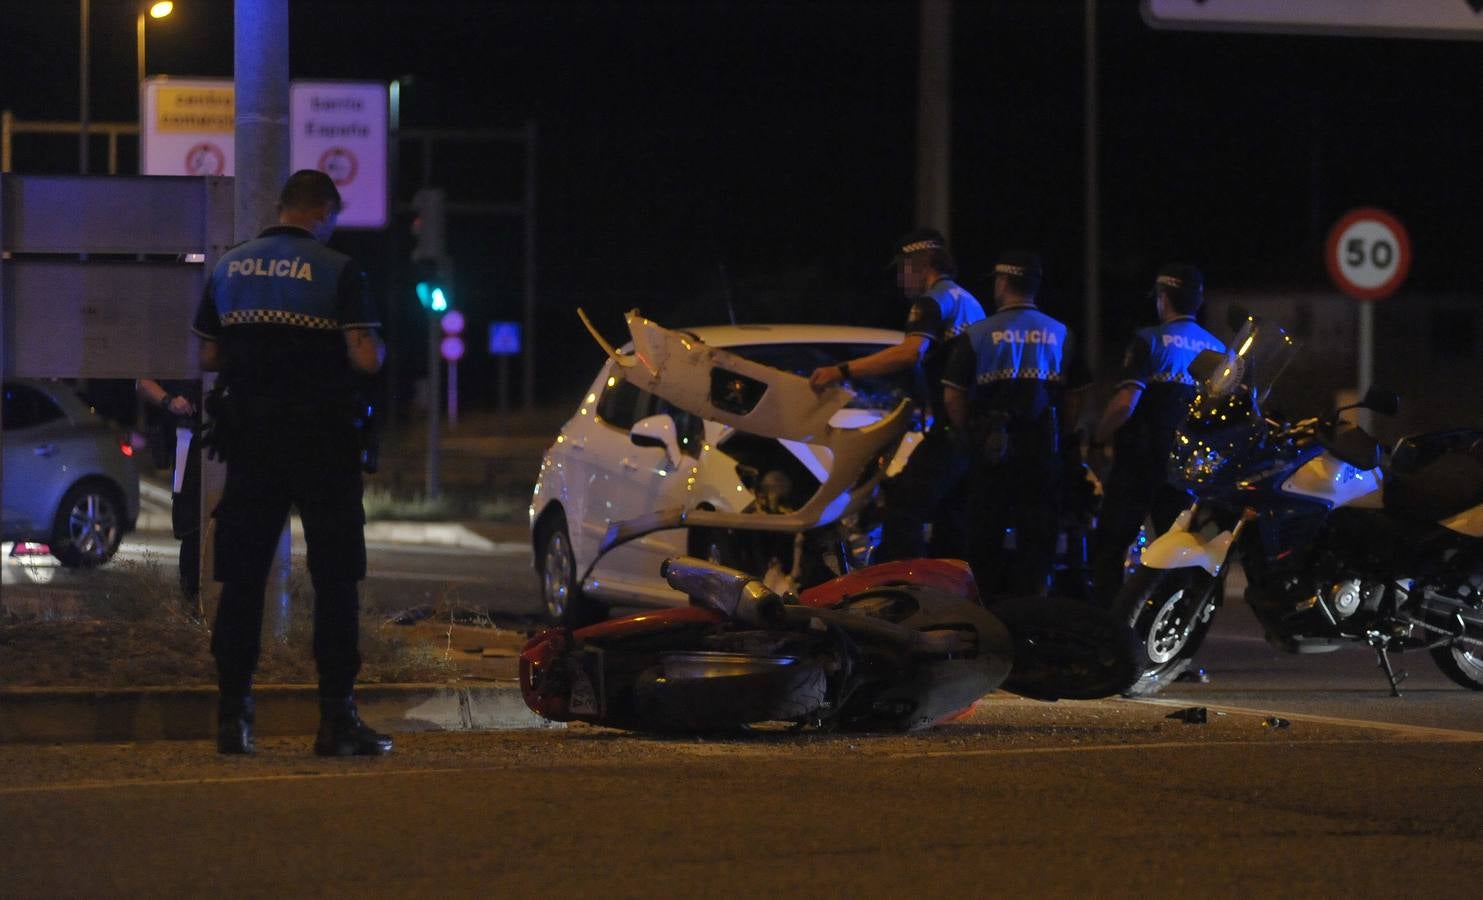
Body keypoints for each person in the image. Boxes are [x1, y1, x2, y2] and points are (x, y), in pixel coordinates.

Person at [193, 169, 388, 757]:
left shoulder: (230, 266)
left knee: (243, 577)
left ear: (280, 208)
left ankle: (234, 717)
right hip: (322, 444)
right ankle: (336, 721)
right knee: (335, 578)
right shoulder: (338, 269)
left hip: (251, 443)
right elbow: (364, 356)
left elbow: (207, 351)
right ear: (324, 211)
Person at [808, 228, 986, 560]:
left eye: (903, 269)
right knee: (951, 519)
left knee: (903, 505)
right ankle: (951, 595)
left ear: (920, 264)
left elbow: (909, 353)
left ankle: (906, 591)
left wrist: (841, 371)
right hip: (974, 432)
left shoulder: (932, 301)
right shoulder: (970, 302)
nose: (901, 280)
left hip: (951, 431)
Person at [942, 250, 1090, 599]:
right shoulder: (1061, 333)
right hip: (1042, 450)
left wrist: (967, 434)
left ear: (1004, 282)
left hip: (991, 452)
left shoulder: (978, 333)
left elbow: (953, 395)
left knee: (984, 538)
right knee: (1038, 540)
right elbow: (1075, 396)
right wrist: (1064, 434)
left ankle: (989, 610)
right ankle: (1030, 612)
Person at [1088, 263, 1225, 601]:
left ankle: (1108, 618)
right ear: (1198, 300)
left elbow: (1125, 404)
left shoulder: (1149, 340)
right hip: (1185, 464)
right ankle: (1166, 613)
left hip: (1140, 458)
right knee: (1173, 542)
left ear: (1163, 299)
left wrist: (1097, 437)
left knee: (1112, 540)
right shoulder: (1219, 350)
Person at [135, 377, 203, 615]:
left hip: (210, 445)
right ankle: (192, 606)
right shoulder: (173, 354)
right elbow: (143, 382)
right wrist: (170, 402)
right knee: (191, 531)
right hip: (187, 444)